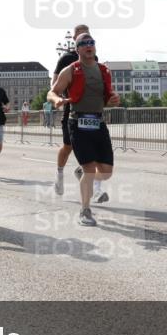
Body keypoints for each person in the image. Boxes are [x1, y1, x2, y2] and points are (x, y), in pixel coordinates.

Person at [48, 32, 120, 226]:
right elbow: (52, 92)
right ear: (78, 48)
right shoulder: (70, 70)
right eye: (84, 43)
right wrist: (57, 100)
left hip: (98, 122)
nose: (89, 46)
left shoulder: (104, 70)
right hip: (78, 123)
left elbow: (108, 99)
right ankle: (85, 211)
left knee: (106, 172)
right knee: (89, 169)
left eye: (92, 43)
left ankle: (81, 174)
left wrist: (113, 100)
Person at [52, 24, 91, 196]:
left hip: (89, 110)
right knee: (68, 146)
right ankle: (59, 174)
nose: (85, 40)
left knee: (90, 146)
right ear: (75, 38)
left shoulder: (93, 57)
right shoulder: (66, 59)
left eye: (88, 36)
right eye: (81, 36)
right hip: (71, 109)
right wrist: (59, 98)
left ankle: (84, 175)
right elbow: (54, 86)